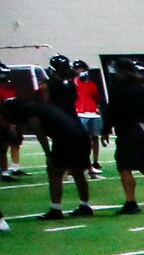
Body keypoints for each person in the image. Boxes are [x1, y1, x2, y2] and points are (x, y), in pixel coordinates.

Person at [17, 91, 94, 220]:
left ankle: (56, 209)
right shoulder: (53, 107)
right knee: (78, 172)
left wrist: (48, 153)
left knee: (55, 172)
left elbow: (39, 132)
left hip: (65, 138)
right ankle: (85, 205)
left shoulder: (32, 110)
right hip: (81, 135)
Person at [106, 62, 144, 215]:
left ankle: (131, 202)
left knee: (125, 167)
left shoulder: (118, 90)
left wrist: (105, 129)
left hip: (128, 131)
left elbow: (112, 111)